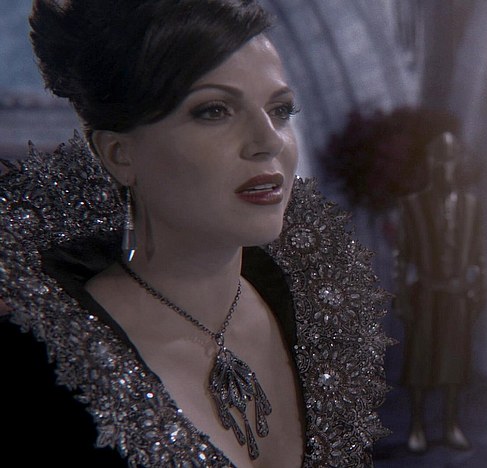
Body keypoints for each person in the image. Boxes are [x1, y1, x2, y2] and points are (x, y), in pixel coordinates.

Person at [0, 1, 391, 466]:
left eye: (280, 109)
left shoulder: (314, 309)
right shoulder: (58, 358)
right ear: (119, 154)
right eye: (214, 111)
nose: (268, 140)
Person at [394, 131, 486, 453]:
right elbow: (401, 256)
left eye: (449, 159)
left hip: (457, 295)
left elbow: (478, 254)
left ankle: (450, 424)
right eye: (438, 159)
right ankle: (417, 426)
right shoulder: (412, 205)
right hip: (426, 293)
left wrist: (479, 288)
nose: (443, 166)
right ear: (429, 161)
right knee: (420, 362)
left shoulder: (471, 206)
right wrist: (402, 297)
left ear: (457, 162)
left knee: (454, 361)